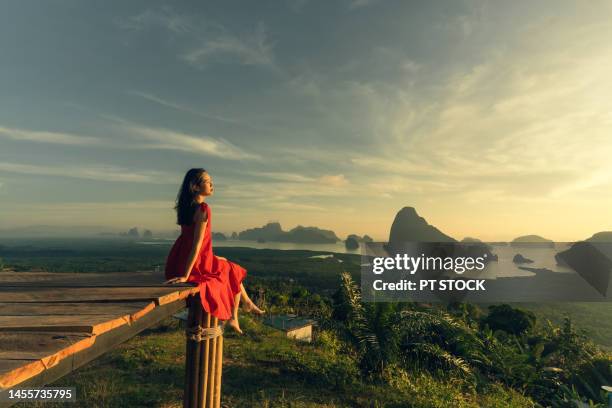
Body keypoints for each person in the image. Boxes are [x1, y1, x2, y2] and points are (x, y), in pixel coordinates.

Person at [164, 168, 264, 334]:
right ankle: (235, 315)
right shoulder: (203, 209)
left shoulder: (186, 208)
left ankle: (245, 304)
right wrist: (186, 276)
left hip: (179, 260)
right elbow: (197, 245)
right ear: (195, 187)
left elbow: (191, 243)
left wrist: (183, 271)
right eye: (207, 181)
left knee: (224, 261)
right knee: (232, 269)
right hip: (194, 263)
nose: (212, 184)